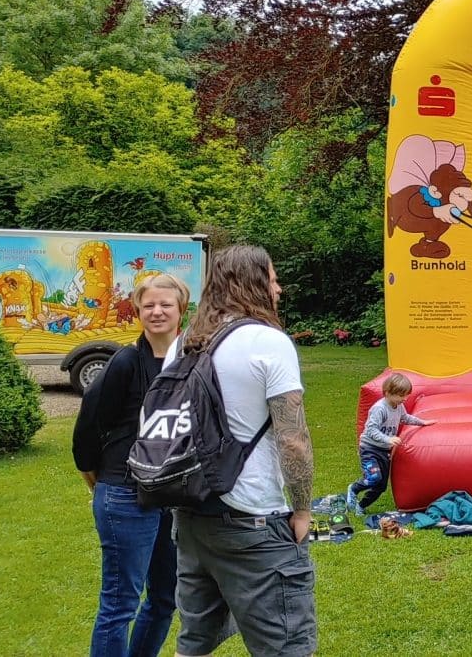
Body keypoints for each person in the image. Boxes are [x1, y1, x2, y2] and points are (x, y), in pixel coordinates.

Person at [164, 245, 317, 657]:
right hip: (251, 520)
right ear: (251, 284)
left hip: (193, 517)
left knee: (193, 641)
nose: (279, 289)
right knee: (285, 644)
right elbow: (293, 439)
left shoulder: (186, 344)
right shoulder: (268, 342)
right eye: (272, 278)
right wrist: (302, 511)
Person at [73, 272, 189, 657]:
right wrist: (97, 476)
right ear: (137, 311)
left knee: (165, 598)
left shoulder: (193, 361)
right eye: (148, 305)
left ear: (181, 309)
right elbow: (90, 424)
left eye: (165, 305)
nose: (157, 312)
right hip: (125, 493)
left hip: (173, 495)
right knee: (120, 604)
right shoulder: (124, 362)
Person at [347, 373, 435, 513]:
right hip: (370, 449)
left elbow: (405, 418)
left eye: (406, 395)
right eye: (401, 395)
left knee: (381, 486)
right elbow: (370, 430)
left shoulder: (398, 406)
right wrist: (388, 439)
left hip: (384, 451)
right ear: (387, 393)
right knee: (374, 478)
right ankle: (354, 488)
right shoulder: (379, 409)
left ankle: (361, 506)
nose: (404, 399)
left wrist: (422, 422)